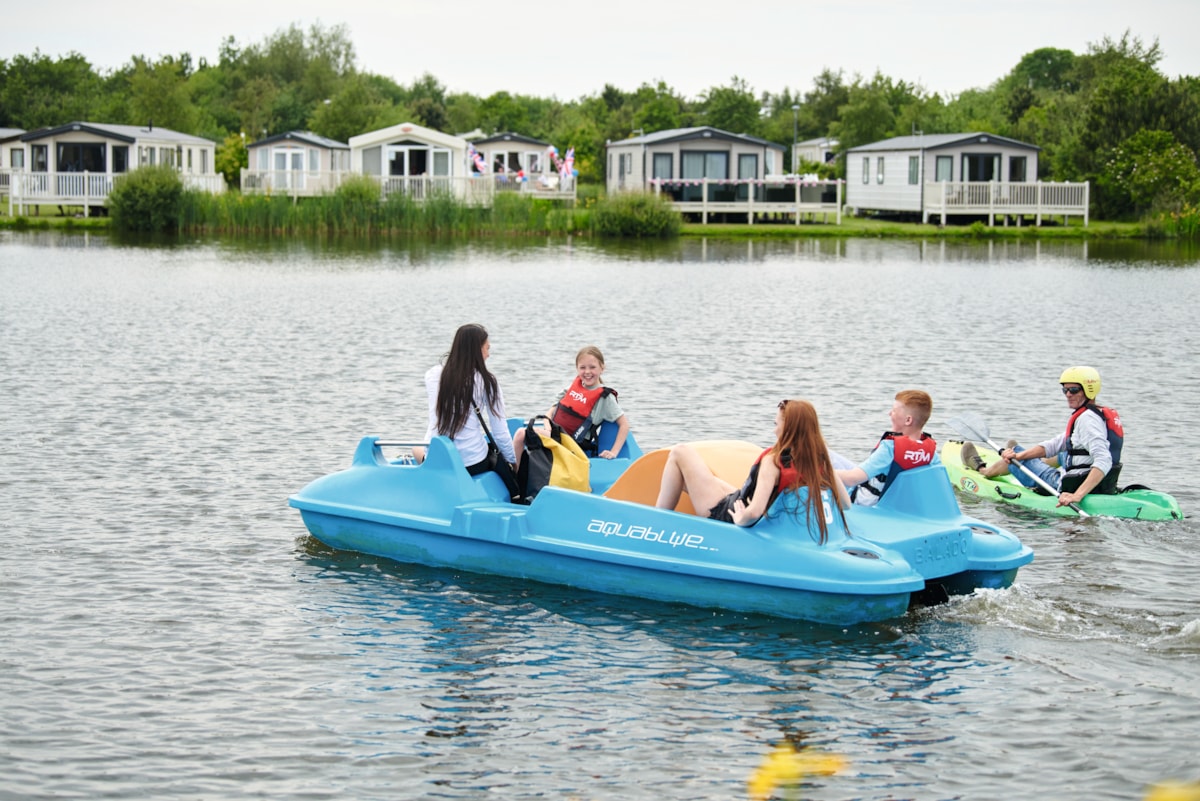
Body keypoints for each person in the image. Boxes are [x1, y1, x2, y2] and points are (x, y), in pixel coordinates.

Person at [654, 399, 851, 542]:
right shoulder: (820, 461)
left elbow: (754, 512)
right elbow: (846, 503)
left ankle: (655, 522)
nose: (775, 431)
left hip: (727, 514)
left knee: (680, 453)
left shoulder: (773, 462)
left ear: (789, 428)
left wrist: (740, 519)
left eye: (777, 425)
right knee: (707, 479)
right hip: (741, 499)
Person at [961, 366, 1124, 507]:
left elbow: (1104, 460)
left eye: (1073, 390)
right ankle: (1024, 456)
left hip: (1067, 485)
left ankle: (985, 471)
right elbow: (1056, 443)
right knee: (1060, 453)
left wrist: (1077, 496)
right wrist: (1021, 455)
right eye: (1065, 390)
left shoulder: (1087, 420)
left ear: (1089, 390)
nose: (1068, 394)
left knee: (1016, 458)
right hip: (1102, 484)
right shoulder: (1099, 414)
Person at [422, 323, 517, 482]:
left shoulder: (432, 375)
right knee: (488, 450)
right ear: (477, 350)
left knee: (416, 449)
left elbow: (435, 418)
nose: (488, 354)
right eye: (487, 348)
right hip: (472, 463)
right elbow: (499, 432)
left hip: (437, 461)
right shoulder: (487, 381)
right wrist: (513, 462)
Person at [512, 345, 630, 466]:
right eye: (582, 367)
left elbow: (624, 425)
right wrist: (548, 427)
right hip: (555, 434)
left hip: (572, 444)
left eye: (592, 367)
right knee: (522, 436)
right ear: (577, 369)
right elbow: (551, 411)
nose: (587, 372)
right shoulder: (573, 388)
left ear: (602, 368)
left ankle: (513, 477)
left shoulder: (605, 397)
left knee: (521, 434)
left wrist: (613, 452)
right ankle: (516, 474)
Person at [835, 390, 937, 506]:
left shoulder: (890, 448)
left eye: (894, 411)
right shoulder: (931, 453)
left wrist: (820, 472)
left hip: (863, 505)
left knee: (826, 457)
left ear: (908, 420)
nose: (889, 413)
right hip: (899, 504)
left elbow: (851, 479)